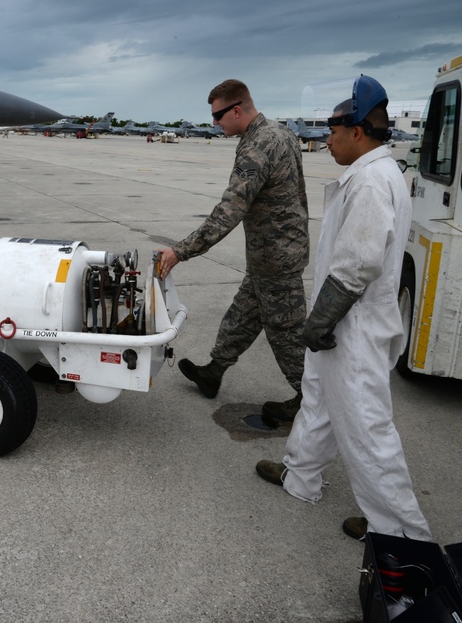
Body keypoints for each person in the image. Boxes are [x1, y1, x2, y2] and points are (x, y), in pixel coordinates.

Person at [255, 75, 431, 542]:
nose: (326, 139)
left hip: (352, 326)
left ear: (357, 131)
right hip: (340, 321)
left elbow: (358, 263)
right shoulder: (370, 173)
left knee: (366, 428)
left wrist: (320, 320)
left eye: (333, 130)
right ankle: (301, 476)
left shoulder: (372, 180)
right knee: (318, 401)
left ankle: (401, 534)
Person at [157, 79, 308, 423]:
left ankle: (311, 401)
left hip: (277, 260)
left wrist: (181, 251)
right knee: (242, 315)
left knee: (287, 335)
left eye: (218, 115)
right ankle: (214, 371)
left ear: (237, 109)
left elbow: (230, 210)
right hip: (275, 252)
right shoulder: (281, 132)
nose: (215, 123)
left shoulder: (257, 148)